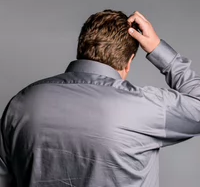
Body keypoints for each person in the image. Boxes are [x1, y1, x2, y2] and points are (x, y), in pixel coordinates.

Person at [0, 10, 200, 187]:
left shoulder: (21, 103)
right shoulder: (142, 107)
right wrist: (158, 49)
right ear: (129, 61)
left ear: (81, 49)